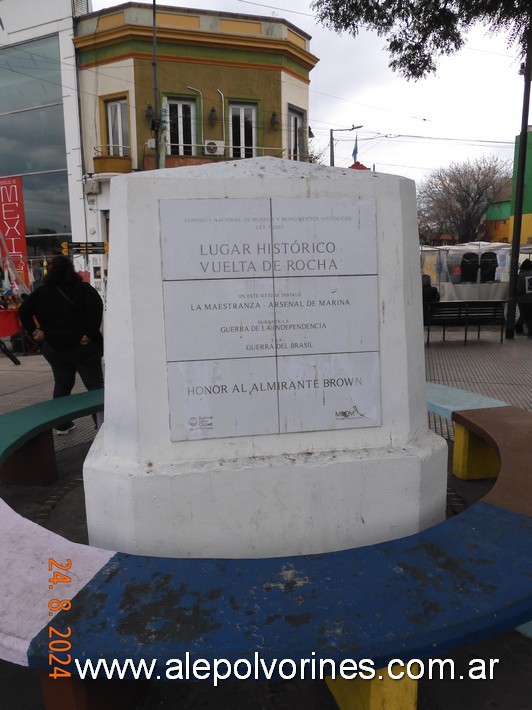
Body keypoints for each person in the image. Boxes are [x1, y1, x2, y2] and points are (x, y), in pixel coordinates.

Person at [19, 255, 104, 434]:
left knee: (62, 384)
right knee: (95, 386)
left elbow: (24, 310)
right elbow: (96, 310)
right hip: (83, 347)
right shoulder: (84, 289)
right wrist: (89, 334)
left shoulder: (41, 293)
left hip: (55, 348)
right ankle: (101, 424)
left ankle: (62, 425)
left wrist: (34, 331)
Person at [516, 259, 532, 340]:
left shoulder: (521, 275)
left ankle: (520, 328)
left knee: (525, 314)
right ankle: (520, 328)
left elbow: (518, 290)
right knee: (527, 315)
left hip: (523, 300)